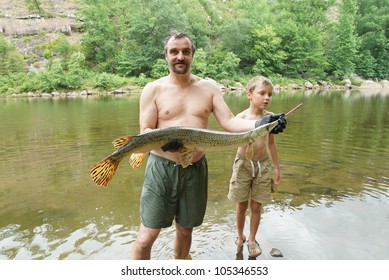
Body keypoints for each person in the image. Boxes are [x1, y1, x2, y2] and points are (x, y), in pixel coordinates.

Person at [131, 31, 286, 260]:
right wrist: (164, 143)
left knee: (185, 232)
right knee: (145, 239)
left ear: (192, 54)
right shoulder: (152, 89)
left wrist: (262, 123)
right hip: (161, 169)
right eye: (174, 51)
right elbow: (145, 130)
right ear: (166, 56)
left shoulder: (209, 87)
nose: (180, 56)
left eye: (186, 51)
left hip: (195, 170)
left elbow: (230, 122)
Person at [227, 75, 282, 259]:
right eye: (262, 93)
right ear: (249, 94)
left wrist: (276, 168)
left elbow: (271, 144)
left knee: (257, 205)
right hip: (243, 164)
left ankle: (251, 239)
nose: (267, 97)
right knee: (241, 204)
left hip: (263, 165)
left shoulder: (270, 118)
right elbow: (231, 136)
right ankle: (240, 235)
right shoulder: (240, 118)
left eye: (270, 94)